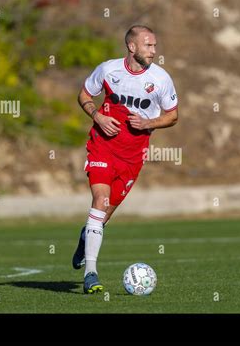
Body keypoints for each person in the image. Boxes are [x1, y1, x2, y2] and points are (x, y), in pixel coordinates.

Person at [73, 25, 179, 294]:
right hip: (102, 148)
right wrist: (97, 116)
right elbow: (84, 95)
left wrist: (148, 123)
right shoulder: (108, 70)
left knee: (104, 214)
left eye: (155, 46)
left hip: (132, 157)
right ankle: (91, 274)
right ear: (132, 47)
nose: (154, 51)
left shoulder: (161, 79)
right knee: (100, 201)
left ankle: (87, 235)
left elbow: (173, 115)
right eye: (148, 45)